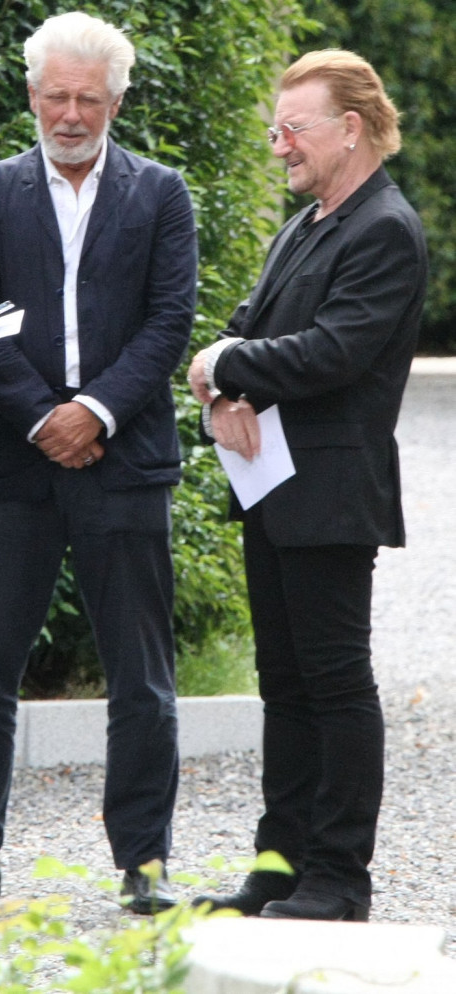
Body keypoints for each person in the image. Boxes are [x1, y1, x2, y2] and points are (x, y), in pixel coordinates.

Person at [0, 11, 197, 914]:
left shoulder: (161, 195)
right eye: (55, 95)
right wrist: (46, 416)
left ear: (119, 99)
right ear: (30, 95)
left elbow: (168, 323)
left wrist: (96, 412)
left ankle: (144, 865)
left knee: (142, 675)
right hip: (11, 461)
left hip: (124, 461)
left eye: (88, 97)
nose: (70, 113)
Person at [188, 49, 427, 922]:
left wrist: (221, 365)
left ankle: (338, 879)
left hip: (330, 495)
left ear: (351, 129)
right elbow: (248, 330)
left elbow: (332, 351)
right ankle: (280, 867)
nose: (278, 145)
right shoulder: (310, 222)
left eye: (294, 128)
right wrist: (219, 394)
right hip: (272, 488)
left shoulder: (384, 229)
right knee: (283, 685)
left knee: (334, 684)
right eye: (274, 129)